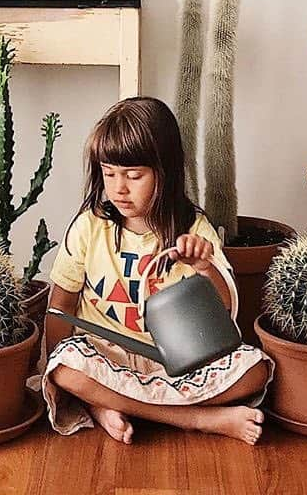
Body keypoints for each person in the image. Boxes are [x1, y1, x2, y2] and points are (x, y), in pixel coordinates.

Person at [39, 96, 273, 444]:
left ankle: (108, 405)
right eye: (109, 174)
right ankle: (196, 419)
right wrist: (54, 366)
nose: (119, 187)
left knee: (255, 370)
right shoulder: (90, 226)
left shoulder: (195, 230)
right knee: (66, 368)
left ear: (165, 172)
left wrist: (204, 267)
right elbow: (61, 307)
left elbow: (225, 309)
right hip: (105, 356)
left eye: (134, 176)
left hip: (175, 363)